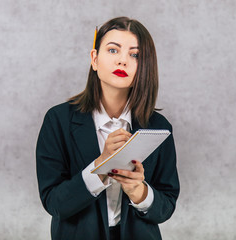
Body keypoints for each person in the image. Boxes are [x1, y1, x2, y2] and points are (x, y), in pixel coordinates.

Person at [36, 16, 179, 240]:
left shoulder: (159, 127)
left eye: (135, 55)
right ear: (95, 59)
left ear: (145, 67)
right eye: (113, 50)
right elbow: (54, 203)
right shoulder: (58, 120)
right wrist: (100, 167)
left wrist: (139, 192)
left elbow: (166, 206)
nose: (123, 61)